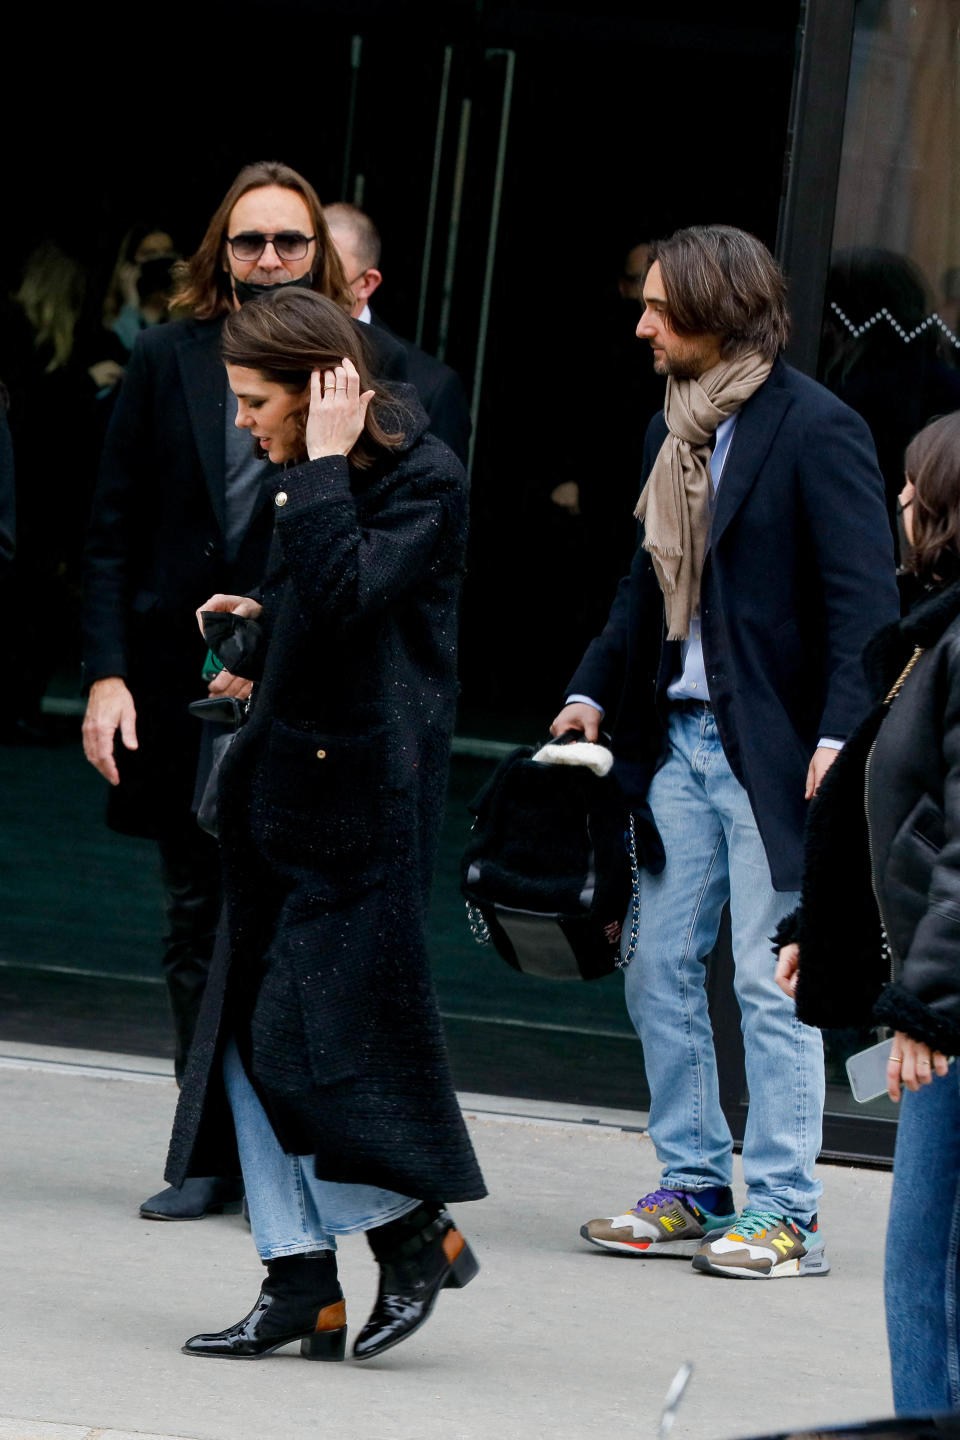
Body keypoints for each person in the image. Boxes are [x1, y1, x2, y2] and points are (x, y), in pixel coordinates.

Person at [552, 224, 898, 1278]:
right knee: (655, 966)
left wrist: (842, 738)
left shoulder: (817, 428)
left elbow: (865, 609)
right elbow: (643, 585)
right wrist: (588, 692)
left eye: (661, 307)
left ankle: (787, 1211)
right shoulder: (675, 431)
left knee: (770, 978)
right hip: (676, 744)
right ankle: (697, 1184)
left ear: (718, 310)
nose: (644, 324)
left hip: (777, 754)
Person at [81, 160, 409, 1222]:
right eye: (248, 243)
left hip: (305, 695)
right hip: (180, 683)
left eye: (290, 243)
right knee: (193, 916)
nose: (268, 260)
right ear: (218, 254)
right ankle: (208, 1152)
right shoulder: (166, 363)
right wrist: (106, 675)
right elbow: (110, 533)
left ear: (324, 254)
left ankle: (297, 1158)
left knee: (280, 926)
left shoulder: (360, 375)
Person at [163, 285, 484, 1363]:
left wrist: (311, 480)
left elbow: (350, 593)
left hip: (361, 810)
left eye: (259, 401)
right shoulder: (315, 472)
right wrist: (262, 629)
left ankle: (408, 1231)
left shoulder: (421, 476)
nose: (247, 422)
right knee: (253, 1044)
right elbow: (318, 607)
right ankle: (302, 1277)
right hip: (284, 795)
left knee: (306, 1044)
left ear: (320, 391)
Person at [776, 411, 960, 1405]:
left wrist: (926, 1005)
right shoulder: (928, 637)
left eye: (913, 484)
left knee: (927, 1268)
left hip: (950, 1005)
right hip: (938, 989)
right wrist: (824, 926)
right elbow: (886, 809)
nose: (898, 501)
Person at [323, 201, 471, 463]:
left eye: (329, 271)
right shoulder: (270, 352)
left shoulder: (431, 387)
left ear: (366, 284)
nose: (313, 282)